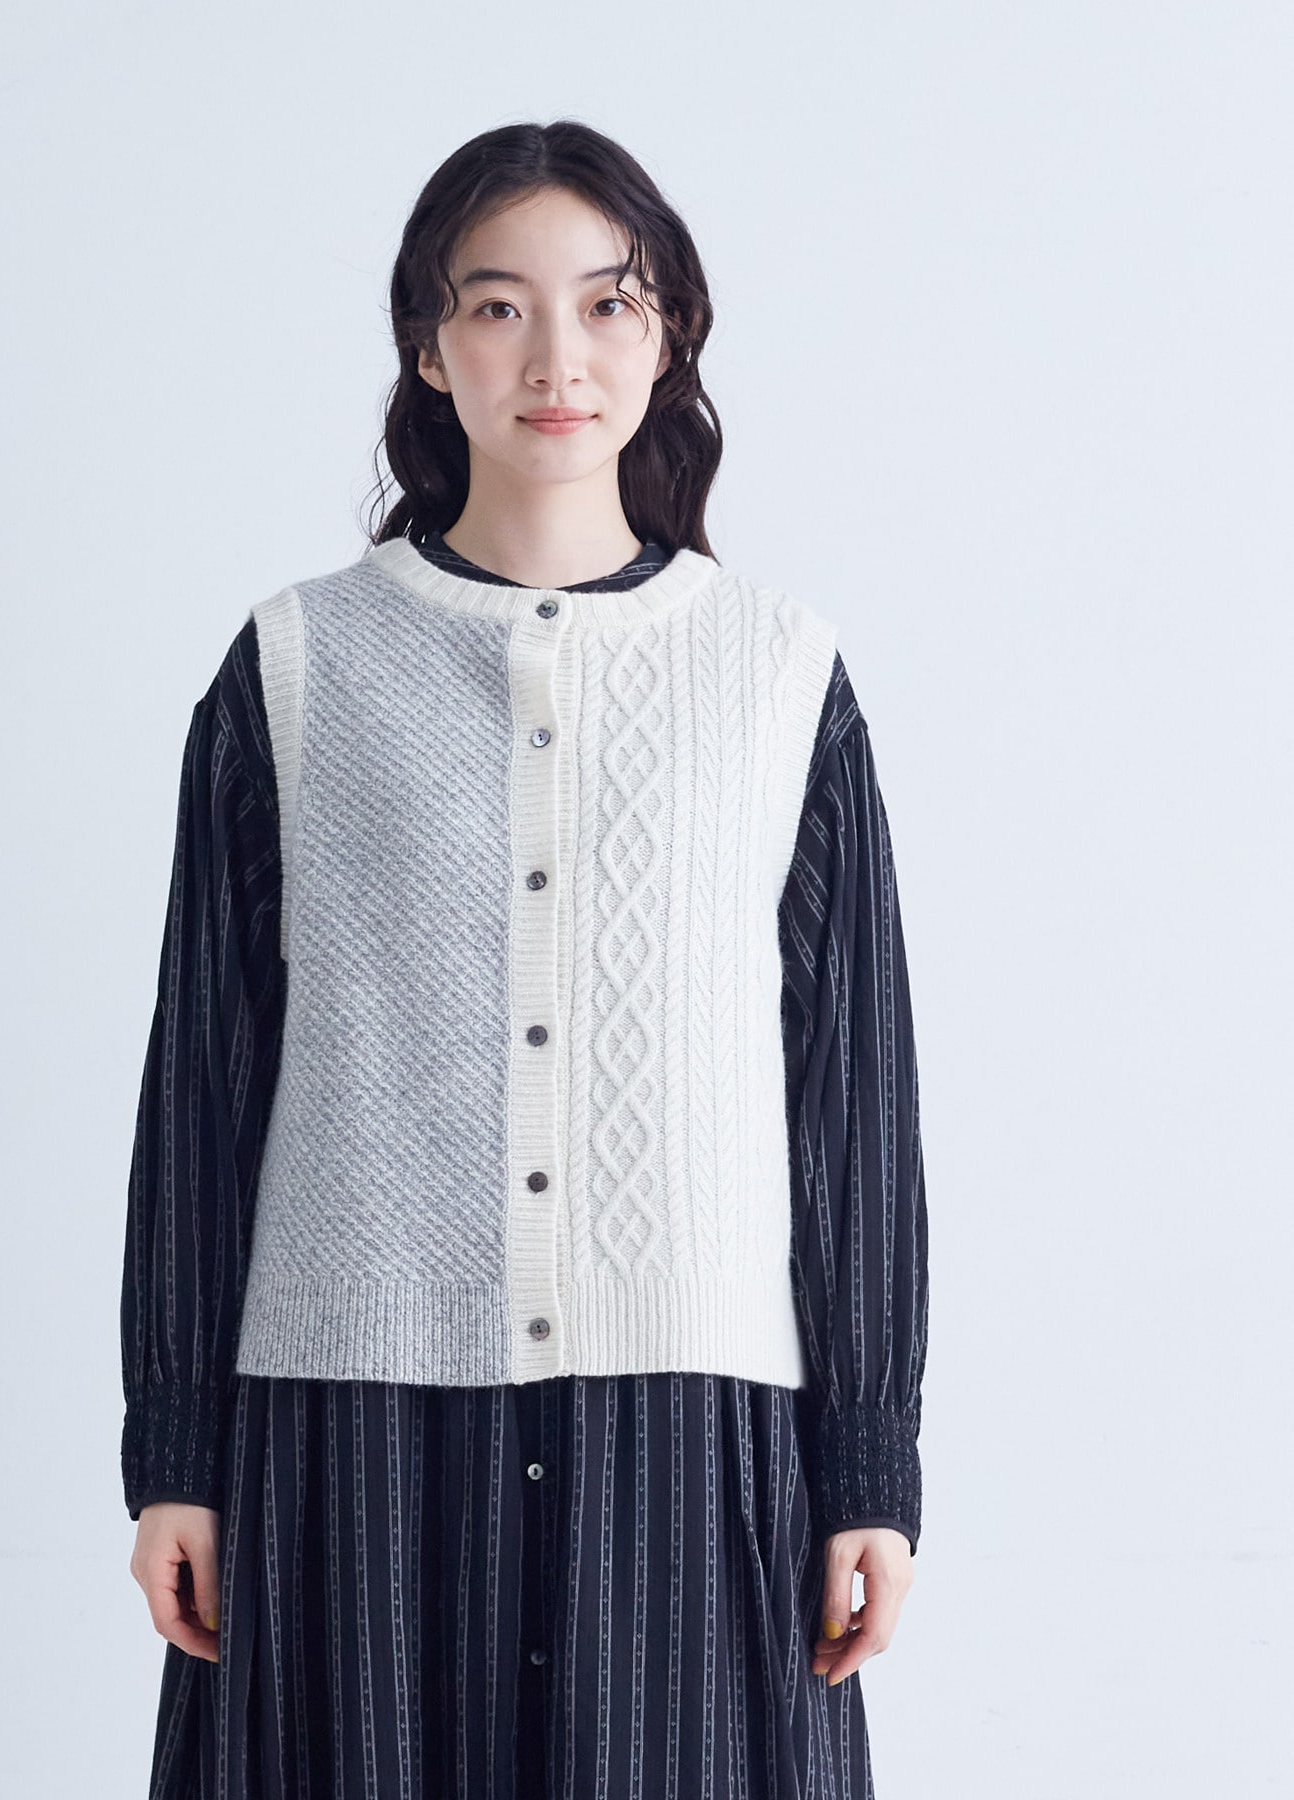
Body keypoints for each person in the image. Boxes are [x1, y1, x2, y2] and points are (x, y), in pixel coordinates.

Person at [120, 118, 929, 1799]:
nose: (557, 357)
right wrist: (177, 1444)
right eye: (498, 307)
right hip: (348, 1420)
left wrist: (868, 1456)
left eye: (609, 304)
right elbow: (204, 1079)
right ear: (429, 346)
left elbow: (851, 1095)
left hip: (695, 1431)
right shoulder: (299, 664)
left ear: (669, 336)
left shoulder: (778, 673)